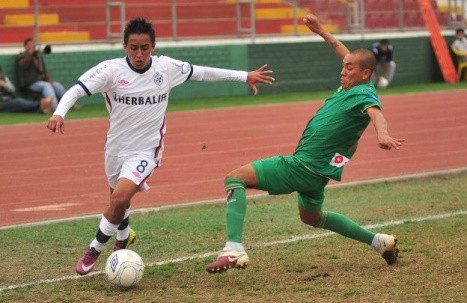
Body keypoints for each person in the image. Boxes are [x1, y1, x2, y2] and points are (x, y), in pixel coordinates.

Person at [45, 17, 274, 276]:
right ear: (124, 47)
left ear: (153, 46)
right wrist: (59, 113)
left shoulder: (165, 68)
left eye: (144, 47)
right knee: (116, 201)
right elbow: (76, 90)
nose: (139, 53)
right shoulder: (110, 70)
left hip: (146, 150)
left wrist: (244, 76)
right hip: (115, 148)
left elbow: (202, 72)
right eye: (133, 48)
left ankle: (94, 249)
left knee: (120, 197)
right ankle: (123, 236)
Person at [205, 13, 405, 274]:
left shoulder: (364, 94)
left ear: (365, 73)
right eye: (344, 66)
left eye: (349, 69)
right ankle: (378, 242)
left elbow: (376, 114)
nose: (343, 71)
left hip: (303, 167)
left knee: (235, 178)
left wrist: (382, 134)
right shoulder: (353, 85)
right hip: (317, 173)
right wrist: (322, 31)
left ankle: (233, 249)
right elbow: (346, 54)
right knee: (311, 217)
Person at [15, 38, 74, 111]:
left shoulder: (37, 57)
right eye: (29, 44)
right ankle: (55, 108)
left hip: (40, 81)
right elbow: (23, 65)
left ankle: (69, 104)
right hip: (28, 83)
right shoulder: (21, 56)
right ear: (25, 46)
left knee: (56, 85)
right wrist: (29, 54)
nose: (31, 46)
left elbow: (44, 71)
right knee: (46, 86)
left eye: (32, 44)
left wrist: (49, 80)